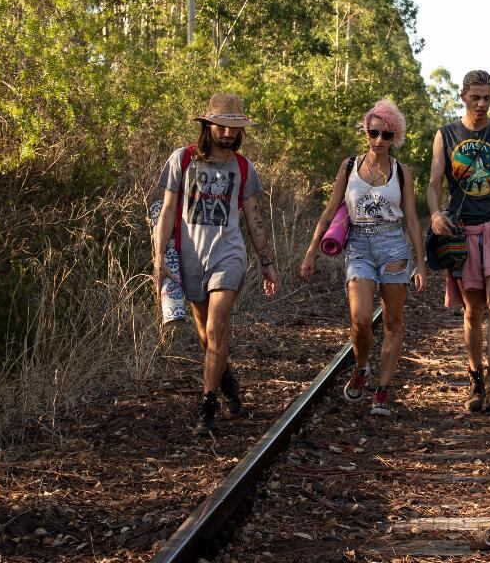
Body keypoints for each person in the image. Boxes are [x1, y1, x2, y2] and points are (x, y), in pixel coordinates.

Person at [154, 93, 280, 436]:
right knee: (206, 337)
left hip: (229, 254)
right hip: (191, 256)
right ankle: (226, 380)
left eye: (234, 128)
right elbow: (166, 211)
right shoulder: (182, 160)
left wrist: (266, 261)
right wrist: (158, 257)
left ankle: (207, 406)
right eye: (222, 126)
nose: (227, 133)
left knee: (216, 327)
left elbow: (254, 217)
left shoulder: (243, 168)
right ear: (207, 125)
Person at [301, 100, 427, 416]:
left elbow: (411, 218)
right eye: (374, 133)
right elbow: (330, 211)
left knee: (393, 321)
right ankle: (361, 367)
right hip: (359, 245)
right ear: (366, 132)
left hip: (393, 246)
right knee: (360, 319)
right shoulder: (349, 167)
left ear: (394, 136)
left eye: (386, 135)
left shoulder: (402, 172)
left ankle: (382, 390)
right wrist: (310, 252)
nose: (379, 141)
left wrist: (420, 263)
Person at [428, 70, 490, 413]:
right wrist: (437, 214)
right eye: (475, 98)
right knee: (472, 311)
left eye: (487, 98)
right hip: (464, 232)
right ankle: (475, 382)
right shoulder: (446, 135)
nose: (481, 104)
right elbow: (434, 183)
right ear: (463, 97)